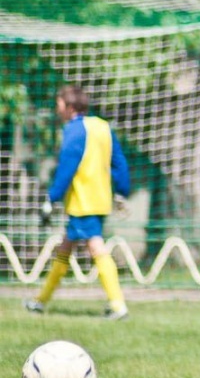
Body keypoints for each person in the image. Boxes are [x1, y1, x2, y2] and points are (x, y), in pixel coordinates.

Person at [25, 84, 131, 320]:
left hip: (84, 201)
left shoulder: (74, 130)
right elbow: (119, 161)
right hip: (100, 198)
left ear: (70, 106)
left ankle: (118, 306)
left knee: (96, 247)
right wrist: (122, 190)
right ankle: (40, 301)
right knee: (65, 247)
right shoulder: (103, 126)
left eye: (59, 104)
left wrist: (51, 198)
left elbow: (67, 167)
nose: (57, 109)